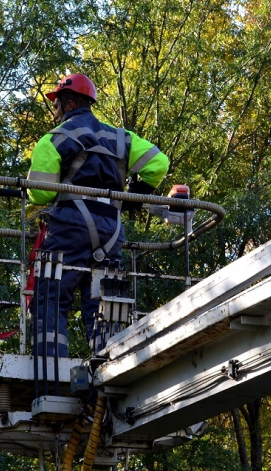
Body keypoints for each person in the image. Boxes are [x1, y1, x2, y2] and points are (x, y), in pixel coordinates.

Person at [27, 73, 169, 357]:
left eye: (56, 106)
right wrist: (132, 196)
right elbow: (159, 162)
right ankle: (109, 368)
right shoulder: (121, 137)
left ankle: (50, 372)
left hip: (69, 226)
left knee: (50, 297)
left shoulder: (53, 140)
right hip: (111, 230)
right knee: (105, 304)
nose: (55, 113)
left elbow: (39, 194)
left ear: (68, 105)